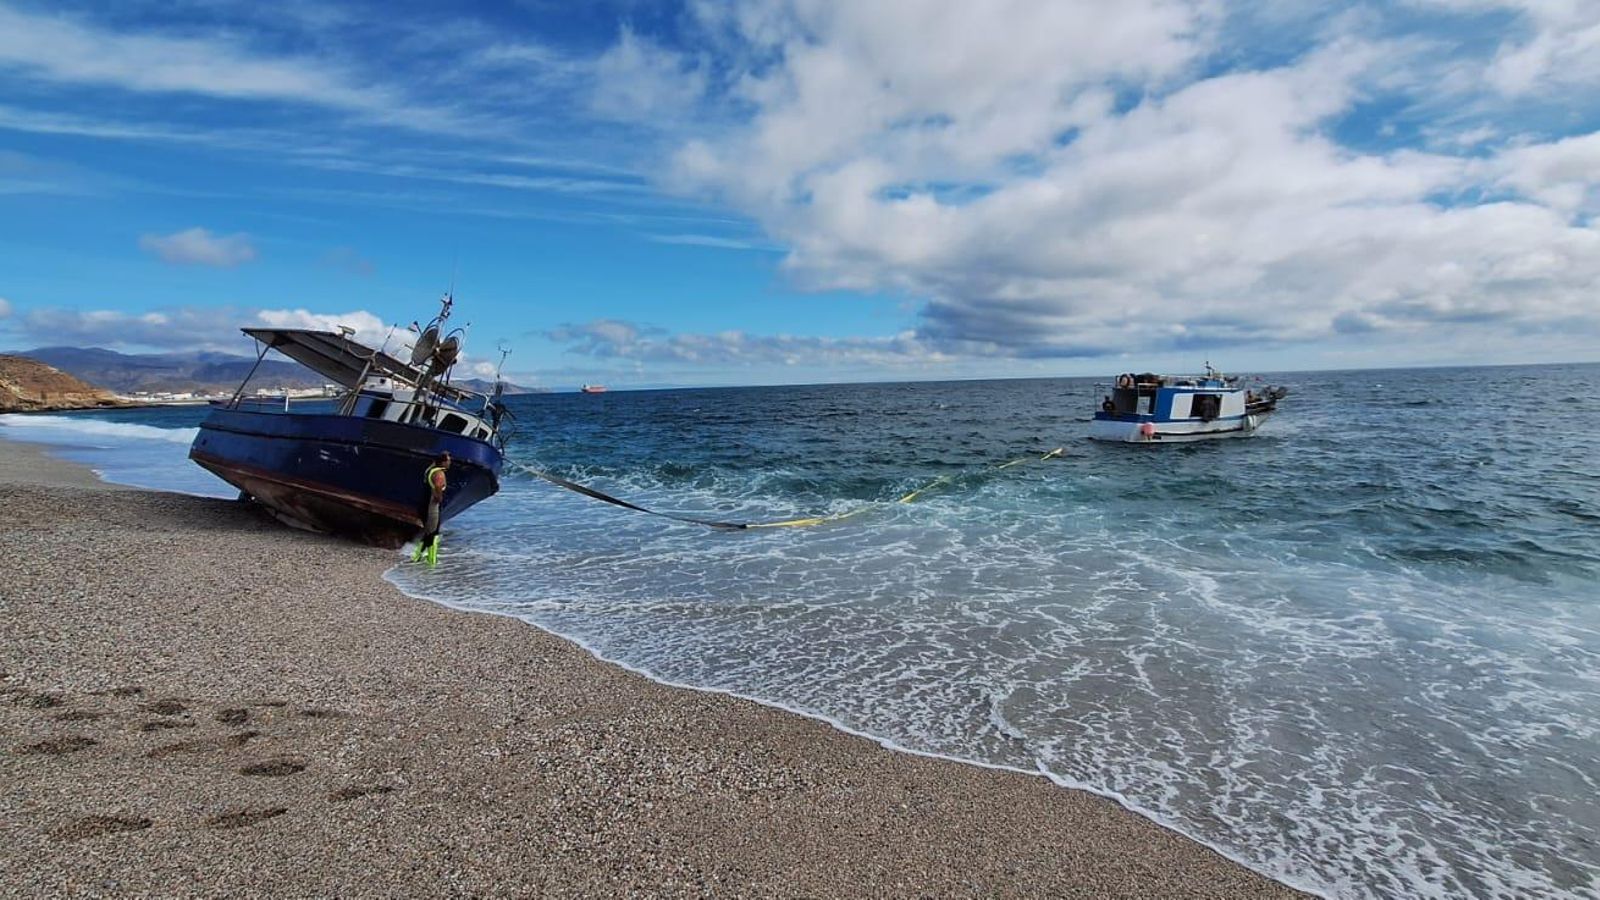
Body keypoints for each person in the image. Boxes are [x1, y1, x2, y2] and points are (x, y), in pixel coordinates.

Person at [414, 451, 450, 566]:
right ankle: (432, 561)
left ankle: (416, 556)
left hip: (423, 505)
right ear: (443, 462)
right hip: (432, 507)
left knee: (428, 532)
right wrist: (439, 498)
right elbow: (438, 486)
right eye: (448, 460)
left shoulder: (430, 470)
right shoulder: (439, 473)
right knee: (434, 534)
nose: (450, 463)